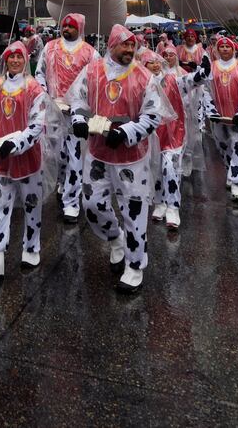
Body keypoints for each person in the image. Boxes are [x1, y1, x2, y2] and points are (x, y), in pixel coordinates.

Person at [67, 23, 167, 292]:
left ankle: (135, 266)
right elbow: (77, 99)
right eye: (125, 44)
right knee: (92, 204)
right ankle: (115, 238)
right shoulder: (92, 71)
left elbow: (153, 116)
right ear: (112, 45)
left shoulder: (144, 77)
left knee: (134, 212)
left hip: (131, 159)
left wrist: (126, 132)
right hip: (98, 155)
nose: (130, 49)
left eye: (133, 45)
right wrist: (78, 118)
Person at [0, 41, 48, 277]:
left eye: (19, 57)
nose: (14, 61)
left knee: (31, 205)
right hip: (0, 162)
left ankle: (32, 246)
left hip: (28, 161)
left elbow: (37, 126)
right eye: (11, 57)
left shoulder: (35, 89)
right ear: (5, 59)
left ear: (26, 59)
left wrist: (15, 144)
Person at [39, 13, 97, 222]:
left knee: (74, 157)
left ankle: (71, 203)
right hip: (54, 111)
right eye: (65, 26)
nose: (67, 29)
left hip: (77, 114)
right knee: (58, 155)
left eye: (72, 27)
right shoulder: (50, 47)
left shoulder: (90, 53)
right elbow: (39, 74)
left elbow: (96, 80)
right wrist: (46, 97)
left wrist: (82, 104)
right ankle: (63, 183)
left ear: (79, 28)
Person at [149, 46, 203, 230]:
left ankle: (173, 206)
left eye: (159, 61)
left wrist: (202, 72)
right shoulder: (141, 83)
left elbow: (190, 81)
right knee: (155, 170)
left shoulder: (172, 80)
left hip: (174, 133)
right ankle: (160, 203)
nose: (156, 65)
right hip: (152, 135)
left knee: (170, 168)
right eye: (151, 62)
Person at [200, 34, 238, 202]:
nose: (224, 49)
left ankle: (237, 184)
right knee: (223, 148)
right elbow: (206, 90)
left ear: (233, 49)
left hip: (237, 118)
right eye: (221, 47)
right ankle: (231, 169)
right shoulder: (212, 68)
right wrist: (211, 111)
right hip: (218, 118)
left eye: (227, 47)